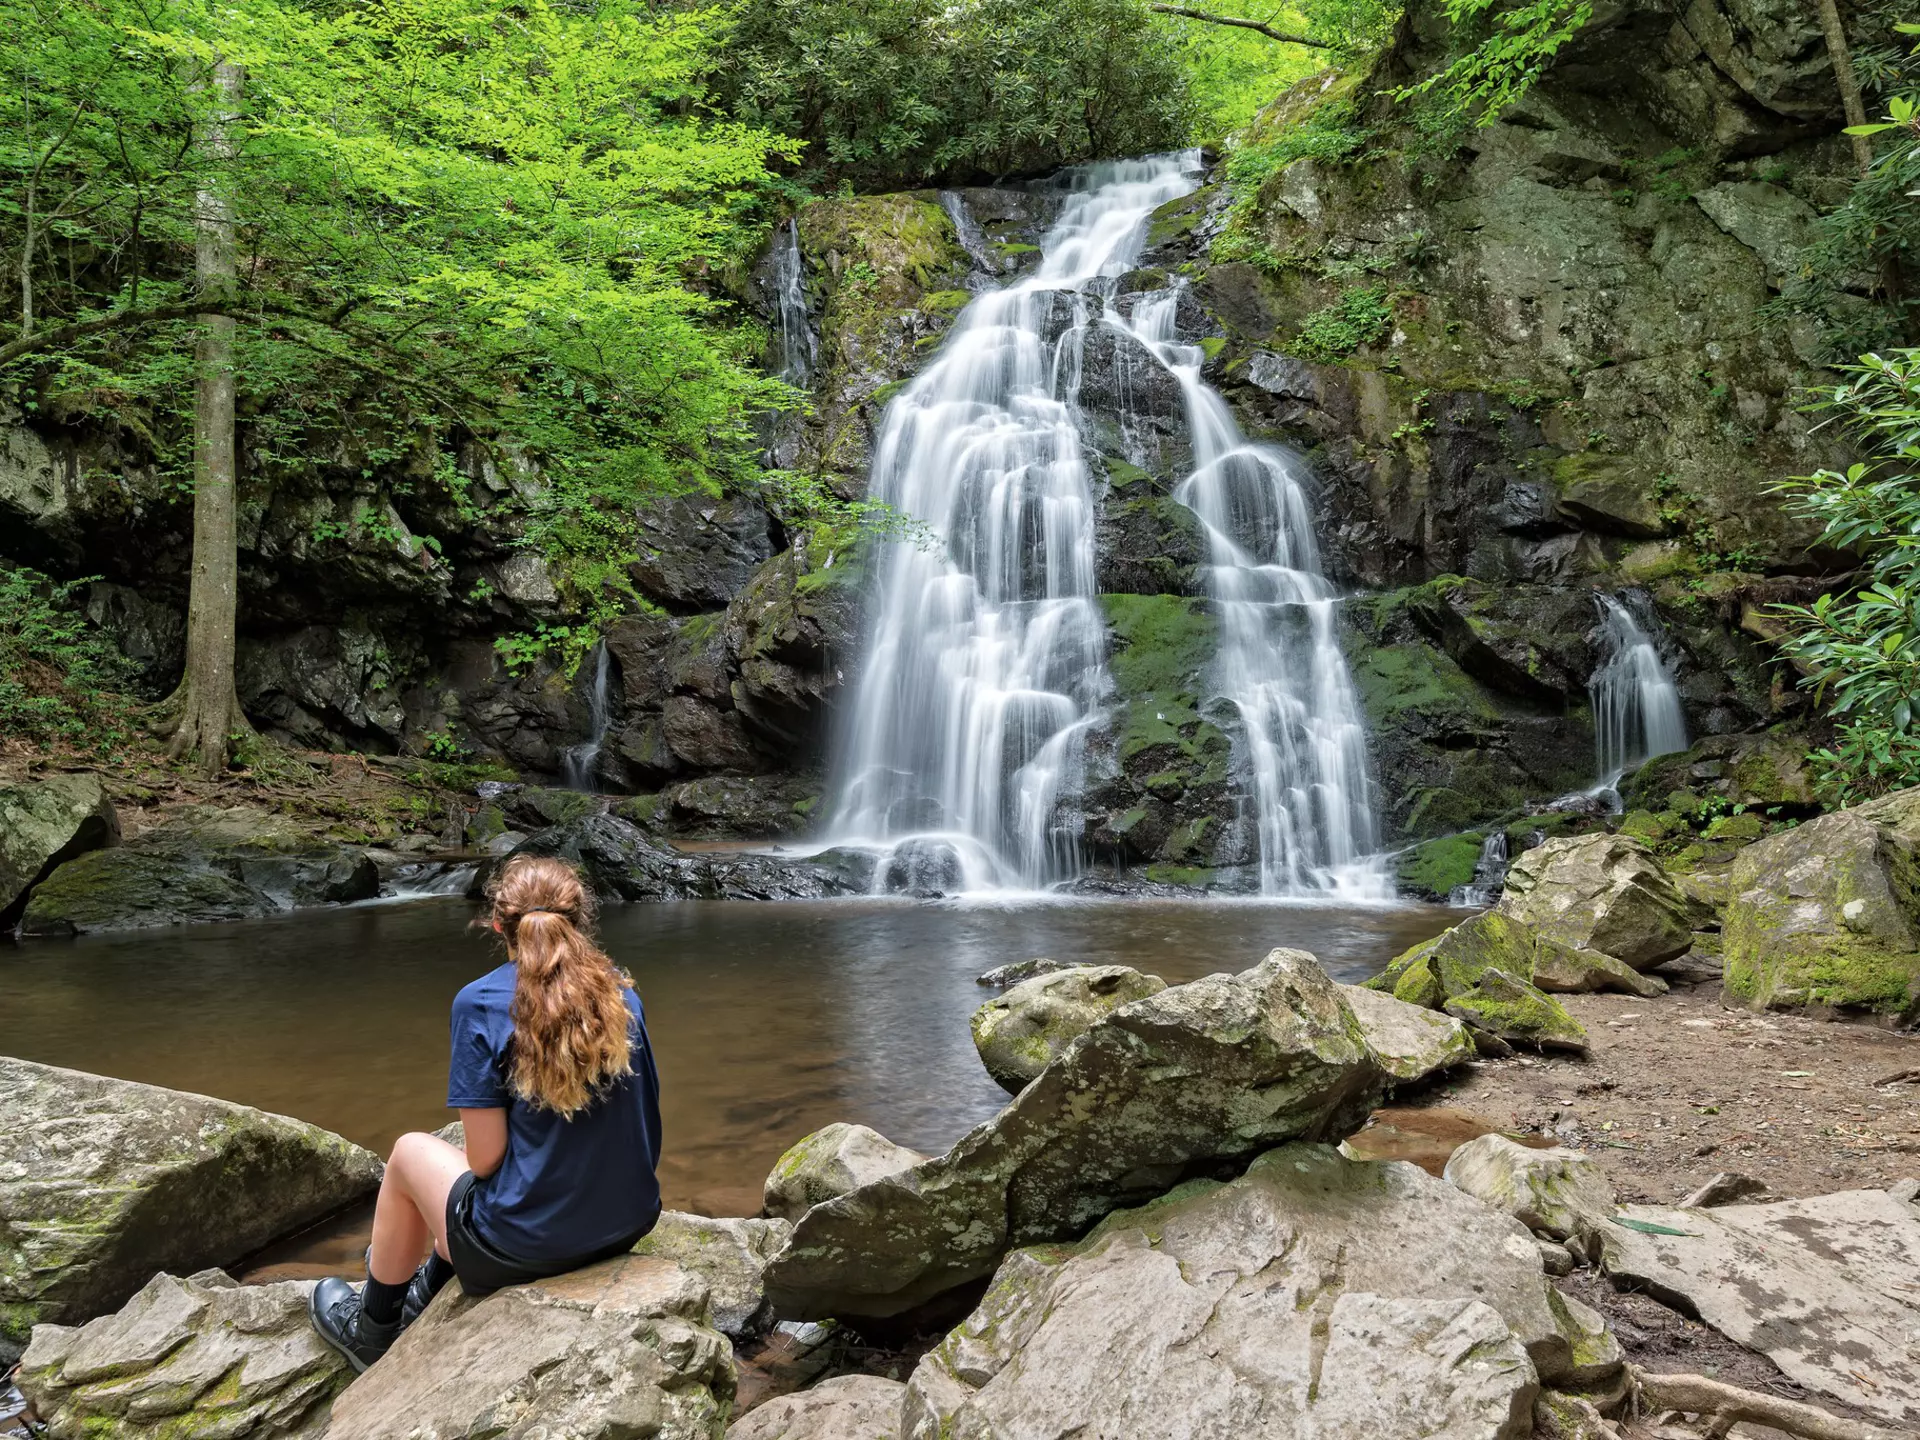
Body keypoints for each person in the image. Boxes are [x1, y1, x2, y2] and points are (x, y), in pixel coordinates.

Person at [310, 854, 662, 1371]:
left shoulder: (480, 1002)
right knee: (472, 1175)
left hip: (529, 1249)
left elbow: (485, 1162)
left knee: (411, 1153)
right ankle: (427, 1288)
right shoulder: (621, 992)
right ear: (582, 915)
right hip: (628, 1220)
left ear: (498, 924)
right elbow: (643, 1122)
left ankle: (372, 1330)